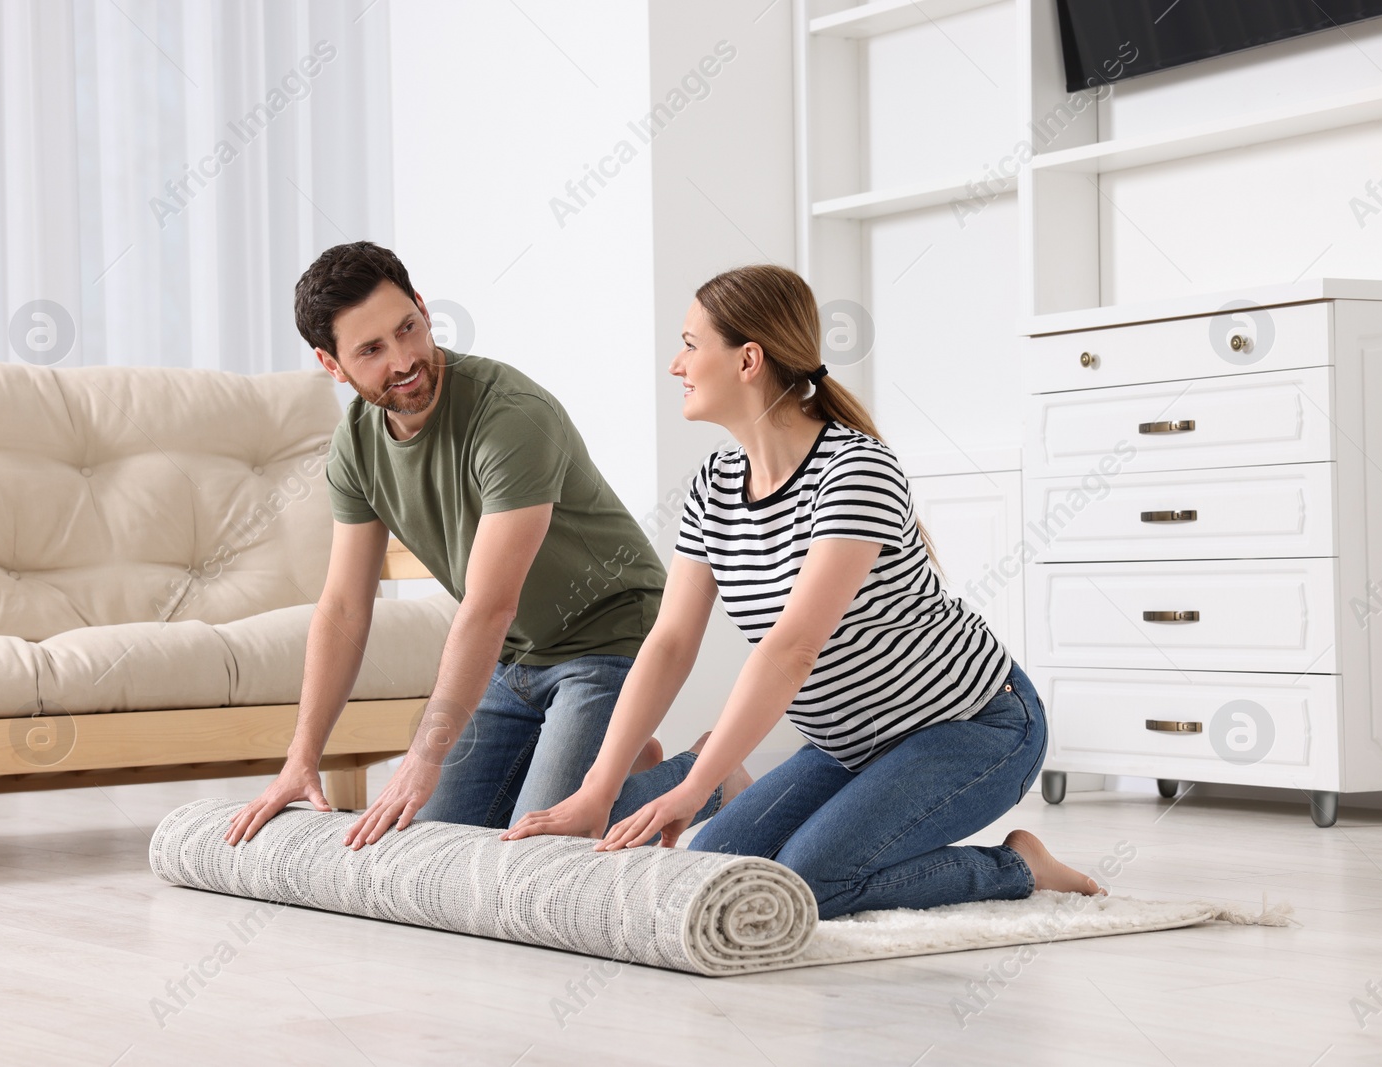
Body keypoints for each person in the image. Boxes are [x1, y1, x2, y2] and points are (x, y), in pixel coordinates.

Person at [504, 264, 1105, 919]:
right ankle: (766, 802)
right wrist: (596, 788)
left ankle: (1021, 867)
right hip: (847, 744)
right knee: (720, 878)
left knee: (808, 883)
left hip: (972, 727)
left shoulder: (855, 471)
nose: (676, 363)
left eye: (690, 343)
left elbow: (792, 647)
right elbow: (672, 641)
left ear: (748, 360)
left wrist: (697, 784)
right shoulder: (713, 484)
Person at [225, 242, 745, 850]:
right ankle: (612, 763)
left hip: (610, 639)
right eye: (370, 350)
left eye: (408, 329)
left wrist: (424, 756)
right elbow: (342, 608)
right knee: (425, 840)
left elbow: (490, 605)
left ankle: (711, 776)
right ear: (331, 364)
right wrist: (301, 759)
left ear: (422, 308)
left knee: (539, 844)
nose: (403, 360)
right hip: (513, 660)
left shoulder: (509, 416)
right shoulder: (357, 446)